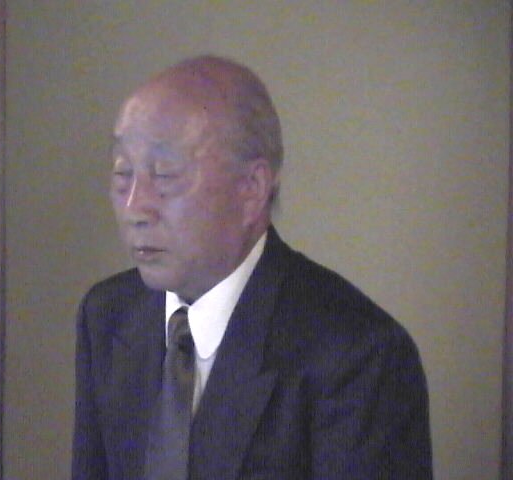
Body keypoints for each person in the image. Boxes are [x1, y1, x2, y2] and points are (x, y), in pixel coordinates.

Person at [72, 55, 432, 480]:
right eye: (122, 174)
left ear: (251, 188)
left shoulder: (359, 357)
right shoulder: (108, 315)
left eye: (164, 175)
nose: (135, 207)